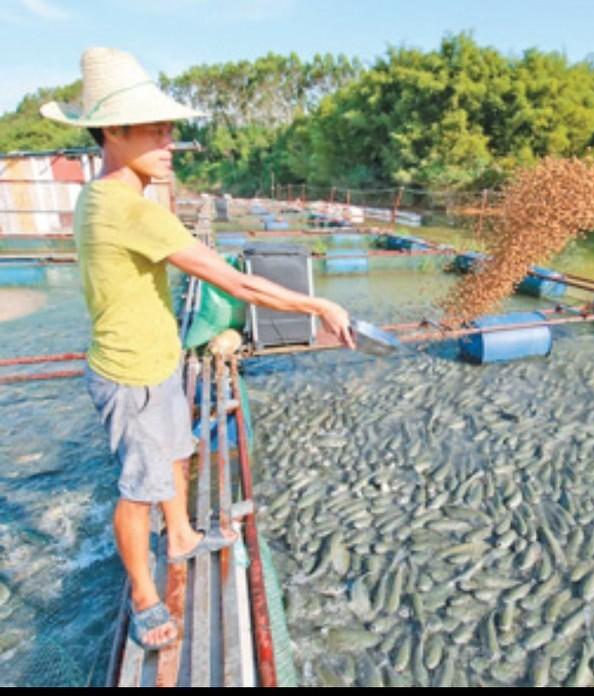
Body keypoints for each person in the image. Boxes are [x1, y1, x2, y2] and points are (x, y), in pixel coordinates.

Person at [40, 47, 355, 651]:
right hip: (129, 373)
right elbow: (232, 282)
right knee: (138, 490)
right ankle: (143, 596)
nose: (169, 140)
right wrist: (318, 307)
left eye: (169, 128)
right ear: (112, 130)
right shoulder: (128, 208)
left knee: (178, 452)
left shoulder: (101, 194)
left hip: (155, 361)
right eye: (154, 129)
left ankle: (181, 535)